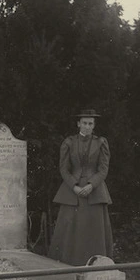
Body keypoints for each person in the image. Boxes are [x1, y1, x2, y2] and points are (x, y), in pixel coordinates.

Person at [48, 108, 113, 266]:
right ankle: (66, 264)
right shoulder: (69, 142)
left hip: (95, 191)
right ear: (78, 124)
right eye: (84, 123)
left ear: (94, 125)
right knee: (70, 228)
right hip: (72, 191)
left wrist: (92, 185)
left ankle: (96, 265)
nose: (87, 126)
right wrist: (74, 186)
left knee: (93, 229)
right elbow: (64, 168)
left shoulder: (101, 143)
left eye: (90, 123)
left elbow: (103, 168)